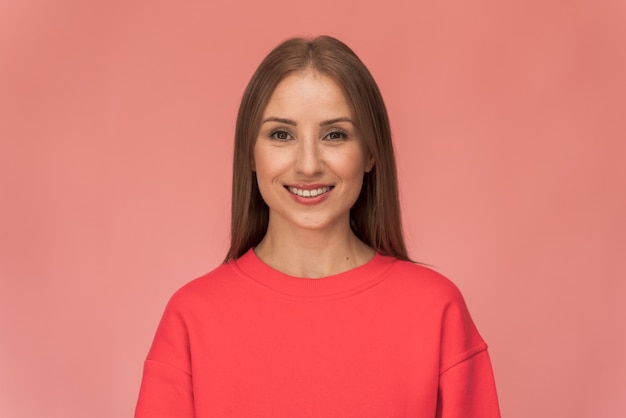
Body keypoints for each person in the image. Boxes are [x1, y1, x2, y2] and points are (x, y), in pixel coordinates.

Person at [135, 35, 500, 417]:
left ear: (371, 153)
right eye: (281, 134)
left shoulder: (437, 311)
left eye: (335, 135)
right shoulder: (192, 318)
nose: (308, 165)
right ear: (250, 154)